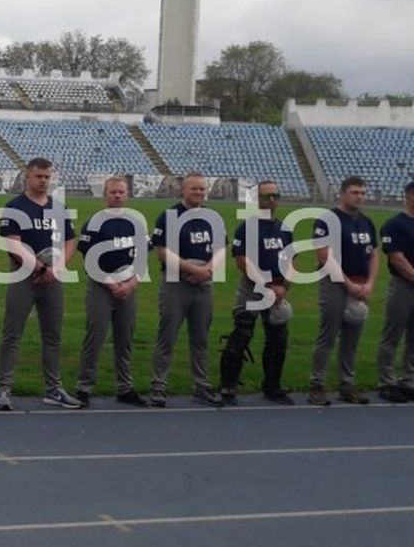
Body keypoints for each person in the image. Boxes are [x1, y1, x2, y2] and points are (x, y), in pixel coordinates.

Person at [0, 157, 78, 410]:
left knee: (53, 336)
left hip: (52, 278)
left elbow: (70, 241)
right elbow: (13, 244)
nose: (43, 181)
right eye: (38, 176)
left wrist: (58, 268)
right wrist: (40, 268)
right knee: (12, 334)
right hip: (24, 277)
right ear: (27, 176)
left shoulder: (58, 208)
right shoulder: (15, 207)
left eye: (47, 177)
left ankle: (54, 388)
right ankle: (3, 388)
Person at [147, 172, 225, 407]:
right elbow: (162, 251)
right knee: (167, 336)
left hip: (204, 284)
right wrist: (192, 269)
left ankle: (201, 386)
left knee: (200, 338)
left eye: (202, 189)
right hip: (176, 283)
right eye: (194, 189)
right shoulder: (169, 216)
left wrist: (209, 269)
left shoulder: (213, 217)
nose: (199, 193)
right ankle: (158, 386)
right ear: (183, 190)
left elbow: (221, 248)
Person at [218, 181, 295, 405]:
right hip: (253, 288)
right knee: (241, 334)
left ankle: (272, 386)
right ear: (258, 200)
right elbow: (242, 261)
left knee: (278, 339)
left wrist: (284, 287)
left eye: (275, 196)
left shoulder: (285, 228)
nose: (271, 200)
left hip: (278, 289)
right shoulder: (247, 227)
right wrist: (266, 286)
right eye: (266, 196)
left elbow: (292, 259)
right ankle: (228, 386)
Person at [75, 176, 146, 408]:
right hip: (101, 286)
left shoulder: (136, 223)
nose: (117, 196)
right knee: (95, 336)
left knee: (125, 338)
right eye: (113, 192)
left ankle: (125, 387)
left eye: (121, 192)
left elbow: (142, 258)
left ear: (127, 195)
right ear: (105, 195)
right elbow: (88, 259)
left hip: (127, 286)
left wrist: (131, 284)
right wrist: (111, 284)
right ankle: (84, 387)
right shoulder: (94, 222)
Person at [308, 176, 378, 405]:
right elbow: (324, 256)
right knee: (328, 335)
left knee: (352, 338)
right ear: (343, 193)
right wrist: (349, 285)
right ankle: (317, 385)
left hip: (360, 284)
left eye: (363, 193)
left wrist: (369, 284)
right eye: (355, 192)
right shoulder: (327, 219)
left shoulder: (367, 222)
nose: (360, 196)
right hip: (335, 284)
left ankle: (347, 384)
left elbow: (374, 255)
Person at [375, 181, 414, 403]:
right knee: (392, 335)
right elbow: (397, 258)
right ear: (409, 196)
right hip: (402, 286)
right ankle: (386, 381)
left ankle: (409, 379)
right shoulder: (394, 225)